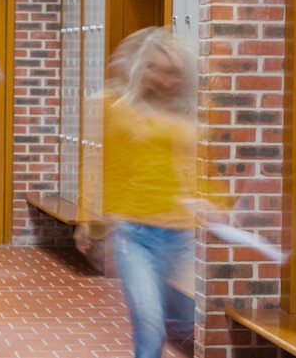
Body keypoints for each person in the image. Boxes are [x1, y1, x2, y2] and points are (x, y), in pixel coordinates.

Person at [77, 27, 199, 358]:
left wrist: (212, 205)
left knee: (185, 321)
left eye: (170, 71)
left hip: (180, 235)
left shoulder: (187, 116)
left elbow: (199, 172)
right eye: (154, 68)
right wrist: (91, 220)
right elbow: (101, 167)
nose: (161, 78)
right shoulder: (116, 110)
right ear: (140, 68)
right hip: (135, 234)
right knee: (149, 324)